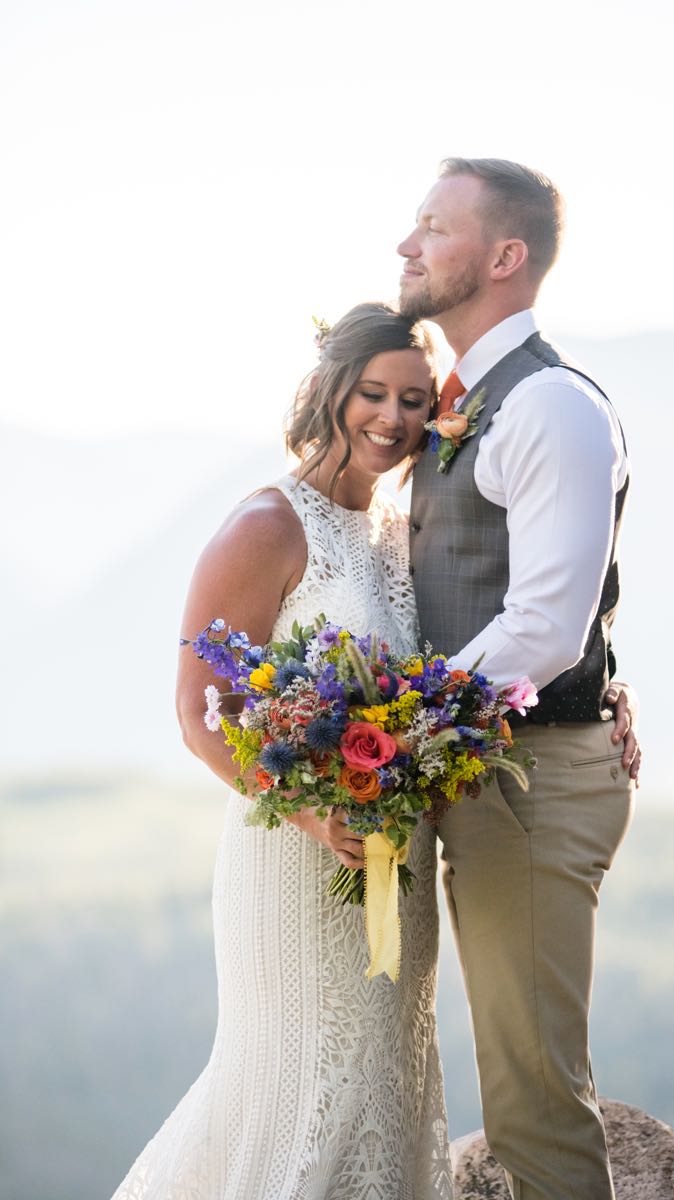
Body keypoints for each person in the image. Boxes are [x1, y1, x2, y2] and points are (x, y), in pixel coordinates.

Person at [111, 303, 454, 1200]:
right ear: (331, 390)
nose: (392, 418)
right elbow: (200, 711)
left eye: (414, 400)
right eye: (373, 393)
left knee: (385, 1075)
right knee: (294, 1081)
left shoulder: (400, 527)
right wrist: (310, 813)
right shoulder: (267, 525)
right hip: (293, 857)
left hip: (397, 858)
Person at [399, 158, 639, 1199]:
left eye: (432, 226)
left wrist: (392, 727)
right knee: (515, 1084)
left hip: (531, 781)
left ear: (504, 256)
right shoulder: (463, 400)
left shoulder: (547, 404)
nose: (406, 245)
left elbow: (546, 623)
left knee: (534, 1102)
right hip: (487, 769)